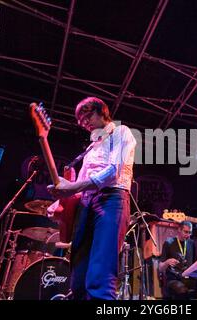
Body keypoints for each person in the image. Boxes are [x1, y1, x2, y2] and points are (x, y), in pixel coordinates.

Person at [48, 97, 136, 300]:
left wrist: (72, 188)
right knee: (78, 276)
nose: (83, 122)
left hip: (111, 199)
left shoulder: (121, 132)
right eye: (80, 120)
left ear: (101, 111)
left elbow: (113, 172)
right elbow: (77, 188)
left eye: (86, 115)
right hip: (86, 204)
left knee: (100, 275)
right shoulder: (91, 148)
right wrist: (60, 201)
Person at [158, 221, 196, 299]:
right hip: (173, 279)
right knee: (182, 290)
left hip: (188, 278)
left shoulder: (191, 243)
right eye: (186, 232)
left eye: (190, 232)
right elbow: (160, 268)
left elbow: (194, 264)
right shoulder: (169, 243)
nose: (188, 235)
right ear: (179, 230)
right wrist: (167, 262)